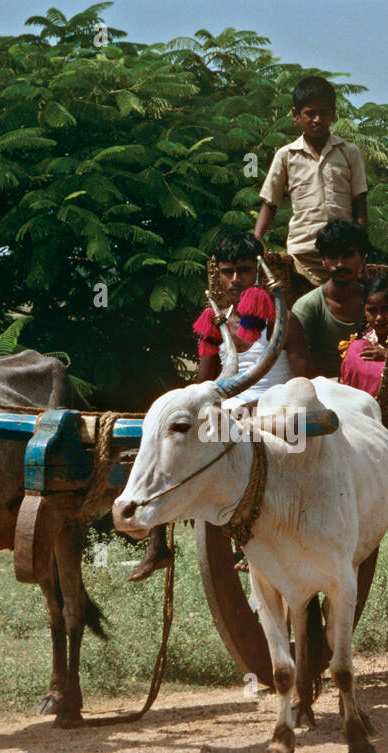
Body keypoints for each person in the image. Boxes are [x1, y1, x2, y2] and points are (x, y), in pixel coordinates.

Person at [128, 233, 289, 582]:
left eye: (244, 271)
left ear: (257, 273)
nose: (235, 279)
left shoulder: (268, 306)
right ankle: (157, 542)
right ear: (218, 274)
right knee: (172, 439)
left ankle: (247, 539)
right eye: (228, 271)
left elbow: (248, 342)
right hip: (227, 412)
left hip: (273, 406)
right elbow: (204, 379)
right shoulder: (216, 319)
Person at [255, 76, 368, 287]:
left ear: (333, 114)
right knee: (301, 311)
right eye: (310, 113)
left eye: (324, 113)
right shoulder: (286, 155)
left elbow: (360, 204)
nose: (317, 119)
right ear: (296, 115)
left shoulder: (349, 153)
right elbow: (270, 203)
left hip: (340, 253)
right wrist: (257, 238)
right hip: (302, 252)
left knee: (340, 309)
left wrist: (360, 250)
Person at [284, 218, 369, 379]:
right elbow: (301, 367)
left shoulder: (373, 302)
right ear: (323, 261)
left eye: (348, 255)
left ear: (363, 259)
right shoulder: (308, 307)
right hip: (323, 391)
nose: (340, 264)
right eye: (332, 257)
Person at [339, 273, 388, 397]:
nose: (379, 318)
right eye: (372, 310)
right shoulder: (357, 349)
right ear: (364, 310)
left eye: (386, 309)